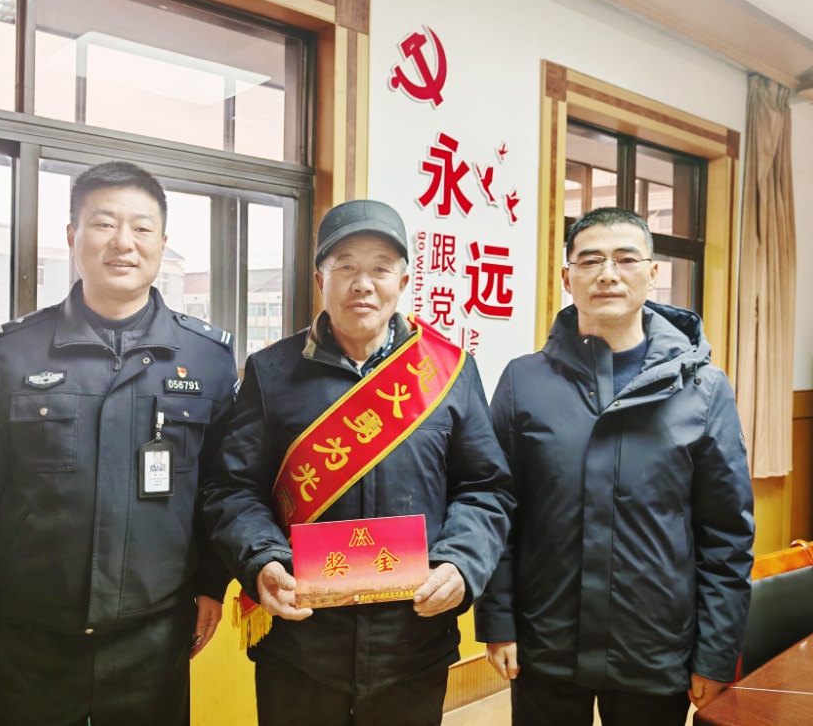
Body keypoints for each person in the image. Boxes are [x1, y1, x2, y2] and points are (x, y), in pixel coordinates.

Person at [0, 161, 238, 725]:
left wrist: (214, 585)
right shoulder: (13, 353)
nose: (124, 242)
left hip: (155, 634)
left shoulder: (207, 359)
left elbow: (221, 488)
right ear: (73, 236)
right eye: (104, 224)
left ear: (162, 243)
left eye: (142, 228)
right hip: (32, 633)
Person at [202, 199, 514, 726]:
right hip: (299, 648)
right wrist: (261, 559)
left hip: (412, 646)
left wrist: (462, 562)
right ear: (320, 279)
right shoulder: (271, 372)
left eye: (379, 268)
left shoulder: (450, 372)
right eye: (345, 265)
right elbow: (231, 488)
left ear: (403, 281)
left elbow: (486, 488)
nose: (362, 284)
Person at [475, 207, 754, 726]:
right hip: (545, 641)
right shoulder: (523, 382)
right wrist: (498, 621)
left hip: (656, 648)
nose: (608, 273)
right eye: (590, 260)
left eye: (626, 259)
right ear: (567, 278)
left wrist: (716, 652)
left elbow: (726, 536)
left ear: (652, 273)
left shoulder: (703, 389)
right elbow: (497, 512)